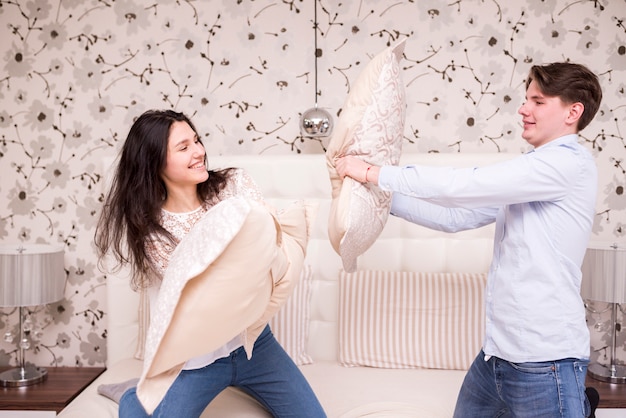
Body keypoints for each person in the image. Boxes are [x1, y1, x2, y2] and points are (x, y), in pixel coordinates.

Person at [334, 62, 602, 417]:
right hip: (497, 356)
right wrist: (374, 195)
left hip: (544, 360)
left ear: (573, 111)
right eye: (526, 100)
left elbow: (466, 185)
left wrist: (374, 172)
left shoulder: (567, 165)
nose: (523, 109)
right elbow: (454, 216)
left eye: (537, 101)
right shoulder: (531, 173)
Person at [95, 109, 326, 418]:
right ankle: (130, 395)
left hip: (253, 345)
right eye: (183, 147)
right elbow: (200, 296)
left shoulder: (233, 185)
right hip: (195, 360)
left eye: (197, 140)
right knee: (138, 412)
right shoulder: (152, 231)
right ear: (155, 162)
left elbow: (266, 240)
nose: (199, 151)